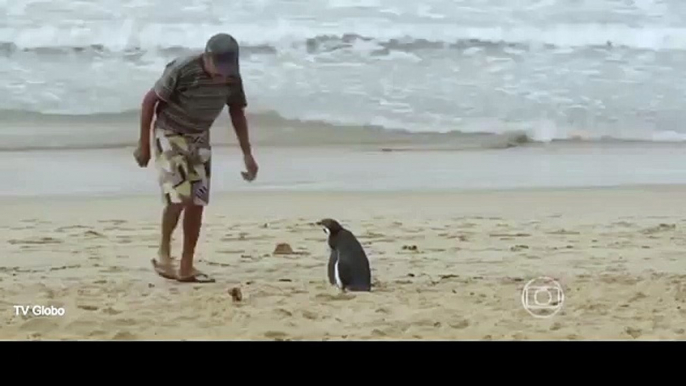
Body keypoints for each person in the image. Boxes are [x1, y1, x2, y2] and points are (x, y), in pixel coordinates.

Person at [133, 33, 258, 283]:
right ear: (207, 57)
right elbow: (150, 102)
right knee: (179, 196)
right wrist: (143, 144)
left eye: (228, 71)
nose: (223, 76)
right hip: (170, 132)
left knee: (197, 201)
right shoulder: (183, 69)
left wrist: (247, 154)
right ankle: (163, 255)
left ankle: (187, 265)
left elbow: (236, 112)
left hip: (199, 136)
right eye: (219, 70)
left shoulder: (232, 76)